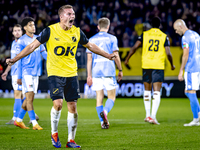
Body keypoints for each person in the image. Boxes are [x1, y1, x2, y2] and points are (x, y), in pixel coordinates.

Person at [6, 5, 115, 148]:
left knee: (73, 107)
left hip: (71, 74)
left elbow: (90, 46)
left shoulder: (77, 32)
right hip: (55, 73)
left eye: (74, 14)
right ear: (61, 16)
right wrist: (15, 59)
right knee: (58, 104)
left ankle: (71, 140)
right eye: (69, 14)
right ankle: (54, 133)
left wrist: (107, 55)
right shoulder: (50, 30)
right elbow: (32, 46)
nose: (73, 16)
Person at [125, 17, 175, 125]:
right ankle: (153, 116)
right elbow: (168, 53)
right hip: (158, 65)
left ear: (151, 25)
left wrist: (127, 58)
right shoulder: (163, 36)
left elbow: (134, 47)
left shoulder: (145, 34)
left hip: (146, 65)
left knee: (147, 90)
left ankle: (147, 115)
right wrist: (172, 64)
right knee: (156, 91)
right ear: (160, 25)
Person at [86, 17, 123, 129]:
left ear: (98, 27)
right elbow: (115, 56)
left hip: (96, 71)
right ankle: (105, 112)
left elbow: (89, 59)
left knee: (99, 98)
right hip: (108, 70)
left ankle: (103, 122)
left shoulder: (91, 39)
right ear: (108, 26)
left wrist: (89, 75)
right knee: (112, 96)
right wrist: (120, 70)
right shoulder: (112, 38)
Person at [13, 17, 47, 130]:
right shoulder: (21, 41)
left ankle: (18, 120)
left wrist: (53, 60)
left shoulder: (38, 39)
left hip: (36, 73)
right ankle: (34, 124)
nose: (33, 27)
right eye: (30, 25)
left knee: (29, 98)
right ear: (25, 28)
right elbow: (18, 59)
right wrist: (19, 76)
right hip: (26, 72)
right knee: (30, 98)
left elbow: (44, 53)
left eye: (33, 24)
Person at [173, 19, 200, 126]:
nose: (175, 32)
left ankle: (195, 119)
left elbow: (185, 54)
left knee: (190, 92)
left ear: (180, 27)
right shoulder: (196, 35)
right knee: (187, 91)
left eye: (176, 30)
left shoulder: (185, 37)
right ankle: (198, 114)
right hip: (197, 67)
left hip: (191, 68)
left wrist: (181, 70)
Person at [1, 24, 24, 125]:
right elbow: (13, 61)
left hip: (20, 73)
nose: (17, 32)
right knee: (22, 95)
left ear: (22, 32)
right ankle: (33, 113)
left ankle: (15, 118)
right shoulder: (14, 44)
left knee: (17, 95)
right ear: (13, 32)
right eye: (16, 30)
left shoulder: (22, 43)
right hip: (15, 72)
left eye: (19, 30)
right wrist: (6, 72)